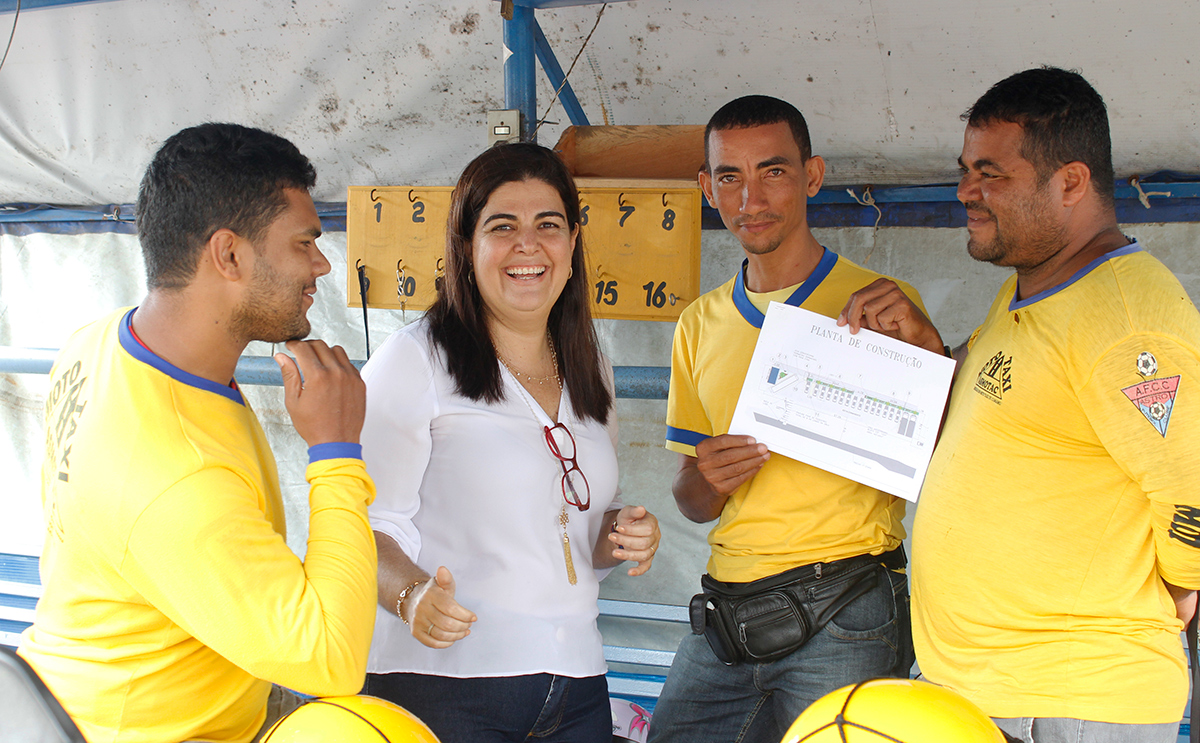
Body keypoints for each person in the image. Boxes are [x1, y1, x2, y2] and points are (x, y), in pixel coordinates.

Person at [841, 67, 1200, 743]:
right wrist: (925, 349)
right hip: (985, 693)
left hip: (1065, 703)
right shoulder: (1029, 293)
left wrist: (1185, 581)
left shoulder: (1123, 317)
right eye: (964, 170)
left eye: (990, 174)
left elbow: (1194, 485)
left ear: (1070, 183)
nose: (964, 193)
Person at [19, 123, 378, 743]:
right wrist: (336, 450)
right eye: (304, 243)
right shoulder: (177, 475)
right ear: (230, 254)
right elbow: (331, 659)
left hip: (75, 690)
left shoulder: (100, 341)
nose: (321, 264)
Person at [358, 142, 662, 743]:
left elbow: (572, 531)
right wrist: (410, 596)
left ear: (573, 244)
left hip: (576, 678)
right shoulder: (414, 359)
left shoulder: (590, 366)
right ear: (467, 248)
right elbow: (358, 524)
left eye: (548, 225)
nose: (528, 245)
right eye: (503, 227)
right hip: (445, 685)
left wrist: (621, 533)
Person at [647, 95, 923, 743]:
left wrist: (929, 351)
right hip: (728, 615)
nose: (751, 198)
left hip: (848, 605)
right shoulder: (699, 323)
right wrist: (709, 477)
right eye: (729, 176)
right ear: (706, 187)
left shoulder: (882, 309)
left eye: (773, 171)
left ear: (813, 175)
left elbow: (935, 453)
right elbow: (691, 499)